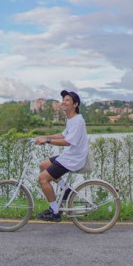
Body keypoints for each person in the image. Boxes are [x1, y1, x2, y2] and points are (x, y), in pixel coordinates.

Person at [34, 90, 88, 222]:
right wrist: (45, 137)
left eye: (67, 100)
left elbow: (68, 141)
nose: (63, 102)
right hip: (69, 155)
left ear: (75, 104)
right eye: (63, 100)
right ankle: (66, 190)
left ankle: (55, 212)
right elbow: (63, 135)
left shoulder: (78, 121)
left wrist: (47, 141)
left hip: (73, 159)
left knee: (43, 179)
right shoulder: (71, 119)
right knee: (43, 165)